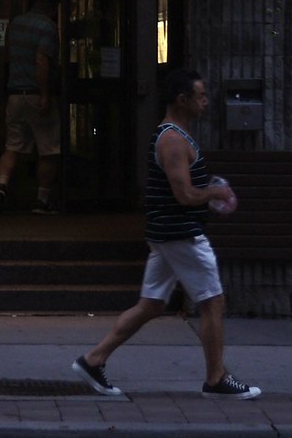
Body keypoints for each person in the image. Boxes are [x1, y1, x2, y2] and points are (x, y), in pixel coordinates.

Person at [71, 68, 261, 400]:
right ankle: (216, 378)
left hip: (167, 235)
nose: (205, 101)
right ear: (181, 100)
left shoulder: (177, 135)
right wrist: (214, 194)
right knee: (213, 300)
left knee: (151, 306)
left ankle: (93, 359)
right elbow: (184, 195)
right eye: (200, 95)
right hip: (181, 235)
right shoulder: (172, 139)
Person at [0, 0, 61, 214]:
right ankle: (41, 200)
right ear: (51, 4)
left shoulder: (16, 24)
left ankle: (1, 187)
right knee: (48, 149)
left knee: (12, 146)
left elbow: (6, 56)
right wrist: (45, 94)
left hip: (14, 94)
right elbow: (41, 61)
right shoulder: (47, 26)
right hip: (34, 94)